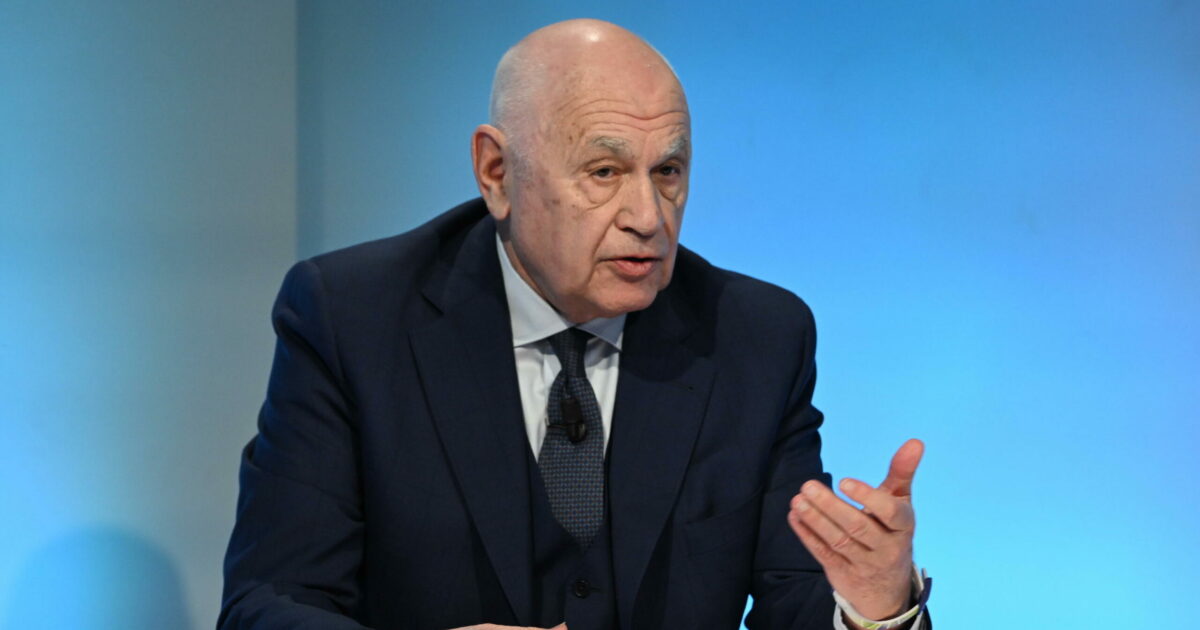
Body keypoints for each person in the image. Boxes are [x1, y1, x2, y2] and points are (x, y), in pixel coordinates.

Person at [219, 19, 930, 630]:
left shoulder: (755, 337)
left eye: (669, 171)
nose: (648, 218)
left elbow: (796, 598)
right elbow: (270, 602)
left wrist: (874, 604)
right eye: (603, 171)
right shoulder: (354, 318)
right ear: (497, 172)